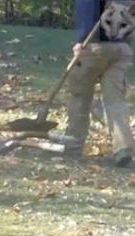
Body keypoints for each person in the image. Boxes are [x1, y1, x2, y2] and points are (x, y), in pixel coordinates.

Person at [65, 0, 134, 167]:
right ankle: (123, 148)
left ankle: (72, 145)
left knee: (79, 96)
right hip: (122, 49)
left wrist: (81, 41)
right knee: (115, 100)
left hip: (94, 47)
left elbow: (87, 12)